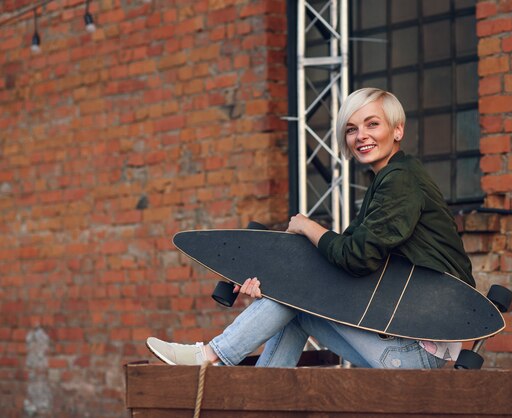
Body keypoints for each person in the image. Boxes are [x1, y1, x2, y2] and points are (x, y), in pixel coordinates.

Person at [146, 88, 474, 368]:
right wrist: (270, 277)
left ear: (397, 130)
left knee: (295, 293)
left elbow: (357, 258)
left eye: (372, 124)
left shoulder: (400, 181)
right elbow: (337, 258)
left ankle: (211, 355)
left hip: (418, 350)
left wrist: (306, 226)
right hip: (402, 341)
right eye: (351, 129)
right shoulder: (389, 180)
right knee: (298, 305)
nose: (361, 136)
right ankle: (258, 401)